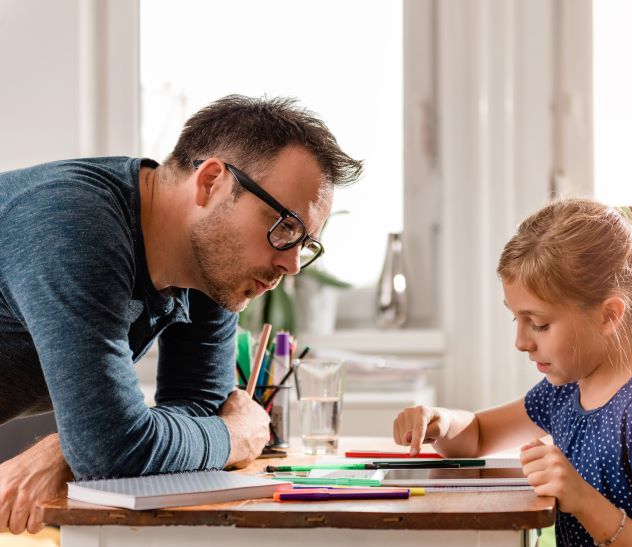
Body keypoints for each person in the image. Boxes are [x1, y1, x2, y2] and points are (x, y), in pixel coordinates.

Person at [0, 94, 362, 534]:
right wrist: (236, 436)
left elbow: (198, 408)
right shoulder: (74, 225)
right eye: (285, 227)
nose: (290, 264)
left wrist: (67, 449)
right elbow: (114, 451)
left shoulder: (210, 268)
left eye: (305, 244)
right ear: (211, 182)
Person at [393, 199, 632, 546]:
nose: (521, 341)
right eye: (517, 319)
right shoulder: (565, 391)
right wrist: (440, 422)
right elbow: (480, 435)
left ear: (609, 315)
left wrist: (584, 501)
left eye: (539, 324)